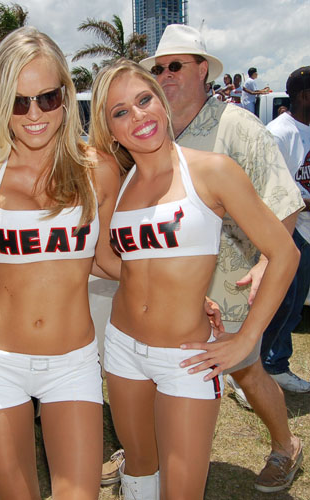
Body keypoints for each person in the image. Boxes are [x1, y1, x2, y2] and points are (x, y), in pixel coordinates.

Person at [89, 57, 298, 500]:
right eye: (120, 111)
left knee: (183, 490)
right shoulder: (119, 181)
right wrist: (169, 285)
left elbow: (284, 253)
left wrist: (246, 340)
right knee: (140, 467)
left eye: (145, 100)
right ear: (109, 129)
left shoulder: (212, 170)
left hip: (187, 357)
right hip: (123, 347)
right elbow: (105, 259)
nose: (139, 116)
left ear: (162, 103)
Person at [0, 26, 120, 500]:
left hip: (72, 361)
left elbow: (106, 260)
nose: (33, 115)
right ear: (0, 103)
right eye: (19, 101)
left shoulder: (98, 170)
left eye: (46, 98)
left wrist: (182, 291)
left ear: (66, 98)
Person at [138, 24, 305, 493]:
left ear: (203, 71)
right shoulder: (153, 128)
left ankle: (285, 445)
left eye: (175, 66)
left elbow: (284, 201)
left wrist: (265, 265)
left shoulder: (238, 125)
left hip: (229, 283)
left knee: (246, 370)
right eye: (158, 69)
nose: (165, 76)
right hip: (170, 285)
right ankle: (153, 448)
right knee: (162, 369)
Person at [260, 66, 310, 392]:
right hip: (287, 232)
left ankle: (274, 362)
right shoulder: (280, 133)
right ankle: (262, 366)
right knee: (281, 304)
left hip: (304, 231)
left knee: (294, 306)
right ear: (305, 96)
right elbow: (271, 191)